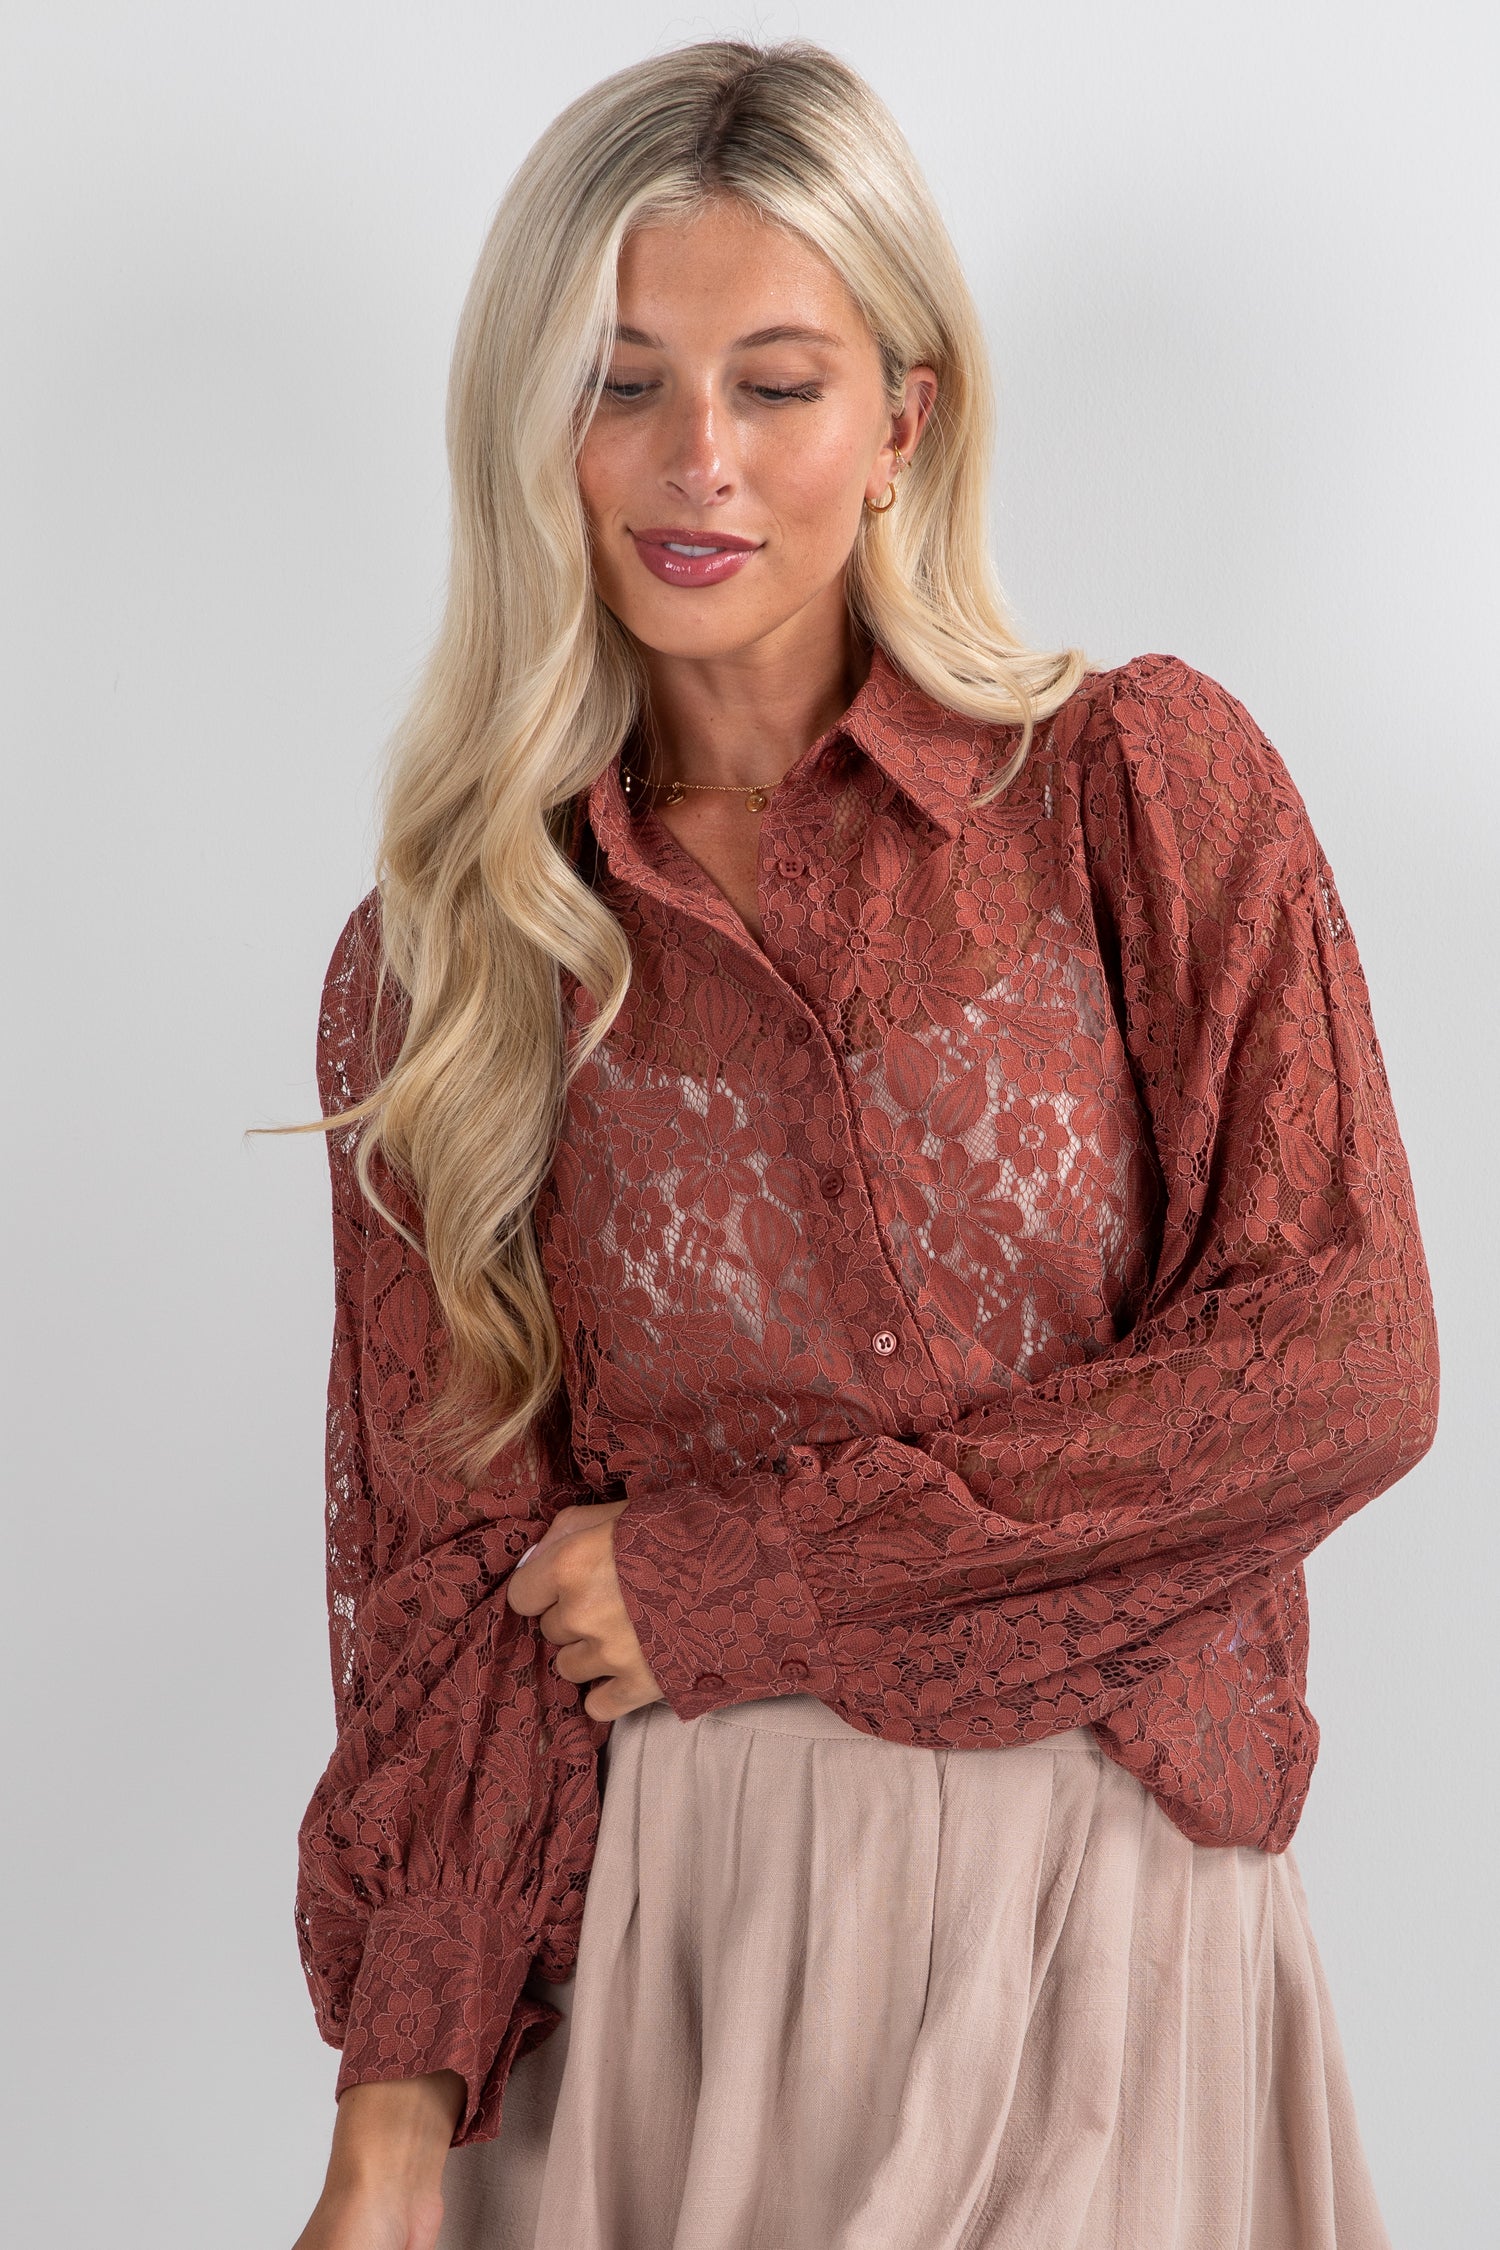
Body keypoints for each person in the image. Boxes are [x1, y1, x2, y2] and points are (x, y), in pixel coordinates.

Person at [288, 37, 1438, 2250]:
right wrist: (392, 2128)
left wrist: (748, 1579)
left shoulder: (1142, 796)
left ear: (905, 417)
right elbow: (454, 1596)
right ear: (534, 426)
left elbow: (1342, 1364)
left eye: (778, 382)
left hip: (1108, 1931)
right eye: (621, 383)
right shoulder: (456, 960)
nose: (695, 461)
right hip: (681, 1962)